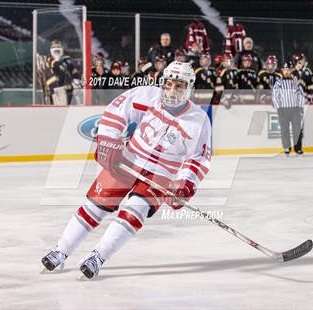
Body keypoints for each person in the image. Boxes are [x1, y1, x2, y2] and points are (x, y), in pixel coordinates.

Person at [41, 61, 212, 279]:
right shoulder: (146, 96)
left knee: (135, 211)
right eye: (168, 84)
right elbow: (116, 112)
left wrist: (185, 184)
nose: (171, 90)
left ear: (189, 87)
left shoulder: (198, 120)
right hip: (128, 160)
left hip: (161, 174)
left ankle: (97, 257)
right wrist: (108, 142)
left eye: (178, 86)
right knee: (95, 206)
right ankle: (61, 250)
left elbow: (197, 158)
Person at [272, 61, 306, 156]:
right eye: (285, 69)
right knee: (284, 130)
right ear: (282, 70)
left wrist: (300, 107)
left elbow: (301, 95)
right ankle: (287, 147)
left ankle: (298, 148)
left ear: (291, 70)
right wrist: (278, 108)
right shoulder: (278, 83)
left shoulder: (295, 82)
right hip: (283, 109)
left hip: (295, 110)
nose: (286, 71)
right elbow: (275, 96)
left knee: (297, 129)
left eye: (288, 69)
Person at [43, 39, 81, 105]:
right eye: (54, 48)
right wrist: (64, 87)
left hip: (69, 92)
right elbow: (51, 79)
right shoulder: (49, 60)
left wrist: (77, 80)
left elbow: (74, 72)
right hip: (55, 93)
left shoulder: (66, 60)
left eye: (58, 48)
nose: (57, 50)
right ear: (51, 50)